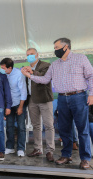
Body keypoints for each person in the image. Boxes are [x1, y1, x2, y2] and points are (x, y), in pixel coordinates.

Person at [22, 38, 93, 169]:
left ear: (66, 47)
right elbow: (45, 79)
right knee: (64, 129)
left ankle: (85, 158)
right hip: (62, 99)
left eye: (56, 47)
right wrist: (30, 76)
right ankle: (66, 155)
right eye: (54, 47)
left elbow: (91, 76)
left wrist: (91, 94)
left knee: (82, 129)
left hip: (78, 96)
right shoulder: (55, 64)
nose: (55, 50)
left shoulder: (81, 58)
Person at [24, 48, 55, 162]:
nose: (29, 56)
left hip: (44, 99)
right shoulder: (26, 68)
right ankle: (38, 148)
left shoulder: (45, 65)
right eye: (27, 55)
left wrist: (32, 72)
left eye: (31, 54)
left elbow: (44, 78)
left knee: (48, 125)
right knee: (36, 125)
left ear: (37, 54)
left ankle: (50, 150)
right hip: (32, 99)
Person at [0, 58, 27, 157]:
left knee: (21, 127)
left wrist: (20, 107)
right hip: (8, 105)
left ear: (10, 67)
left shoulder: (19, 74)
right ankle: (10, 147)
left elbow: (23, 92)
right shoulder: (3, 75)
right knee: (9, 127)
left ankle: (20, 148)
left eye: (3, 68)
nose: (1, 69)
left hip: (19, 103)